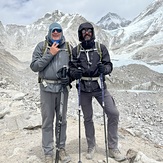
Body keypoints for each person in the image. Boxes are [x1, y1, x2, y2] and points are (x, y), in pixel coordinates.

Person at [69, 22, 126, 162]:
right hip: (83, 89)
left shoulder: (101, 48)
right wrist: (74, 72)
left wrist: (105, 69)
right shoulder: (76, 51)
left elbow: (109, 65)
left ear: (92, 32)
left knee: (113, 113)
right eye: (83, 31)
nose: (86, 33)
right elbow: (71, 68)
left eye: (89, 31)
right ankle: (91, 145)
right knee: (87, 118)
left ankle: (113, 147)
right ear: (80, 34)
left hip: (99, 87)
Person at [30, 22, 72, 163]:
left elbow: (74, 67)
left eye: (58, 30)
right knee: (47, 121)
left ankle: (61, 149)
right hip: (46, 89)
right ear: (49, 32)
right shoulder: (41, 47)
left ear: (61, 32)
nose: (55, 32)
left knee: (62, 121)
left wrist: (70, 77)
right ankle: (48, 153)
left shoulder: (68, 48)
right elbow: (34, 66)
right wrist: (50, 54)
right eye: (53, 30)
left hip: (62, 90)